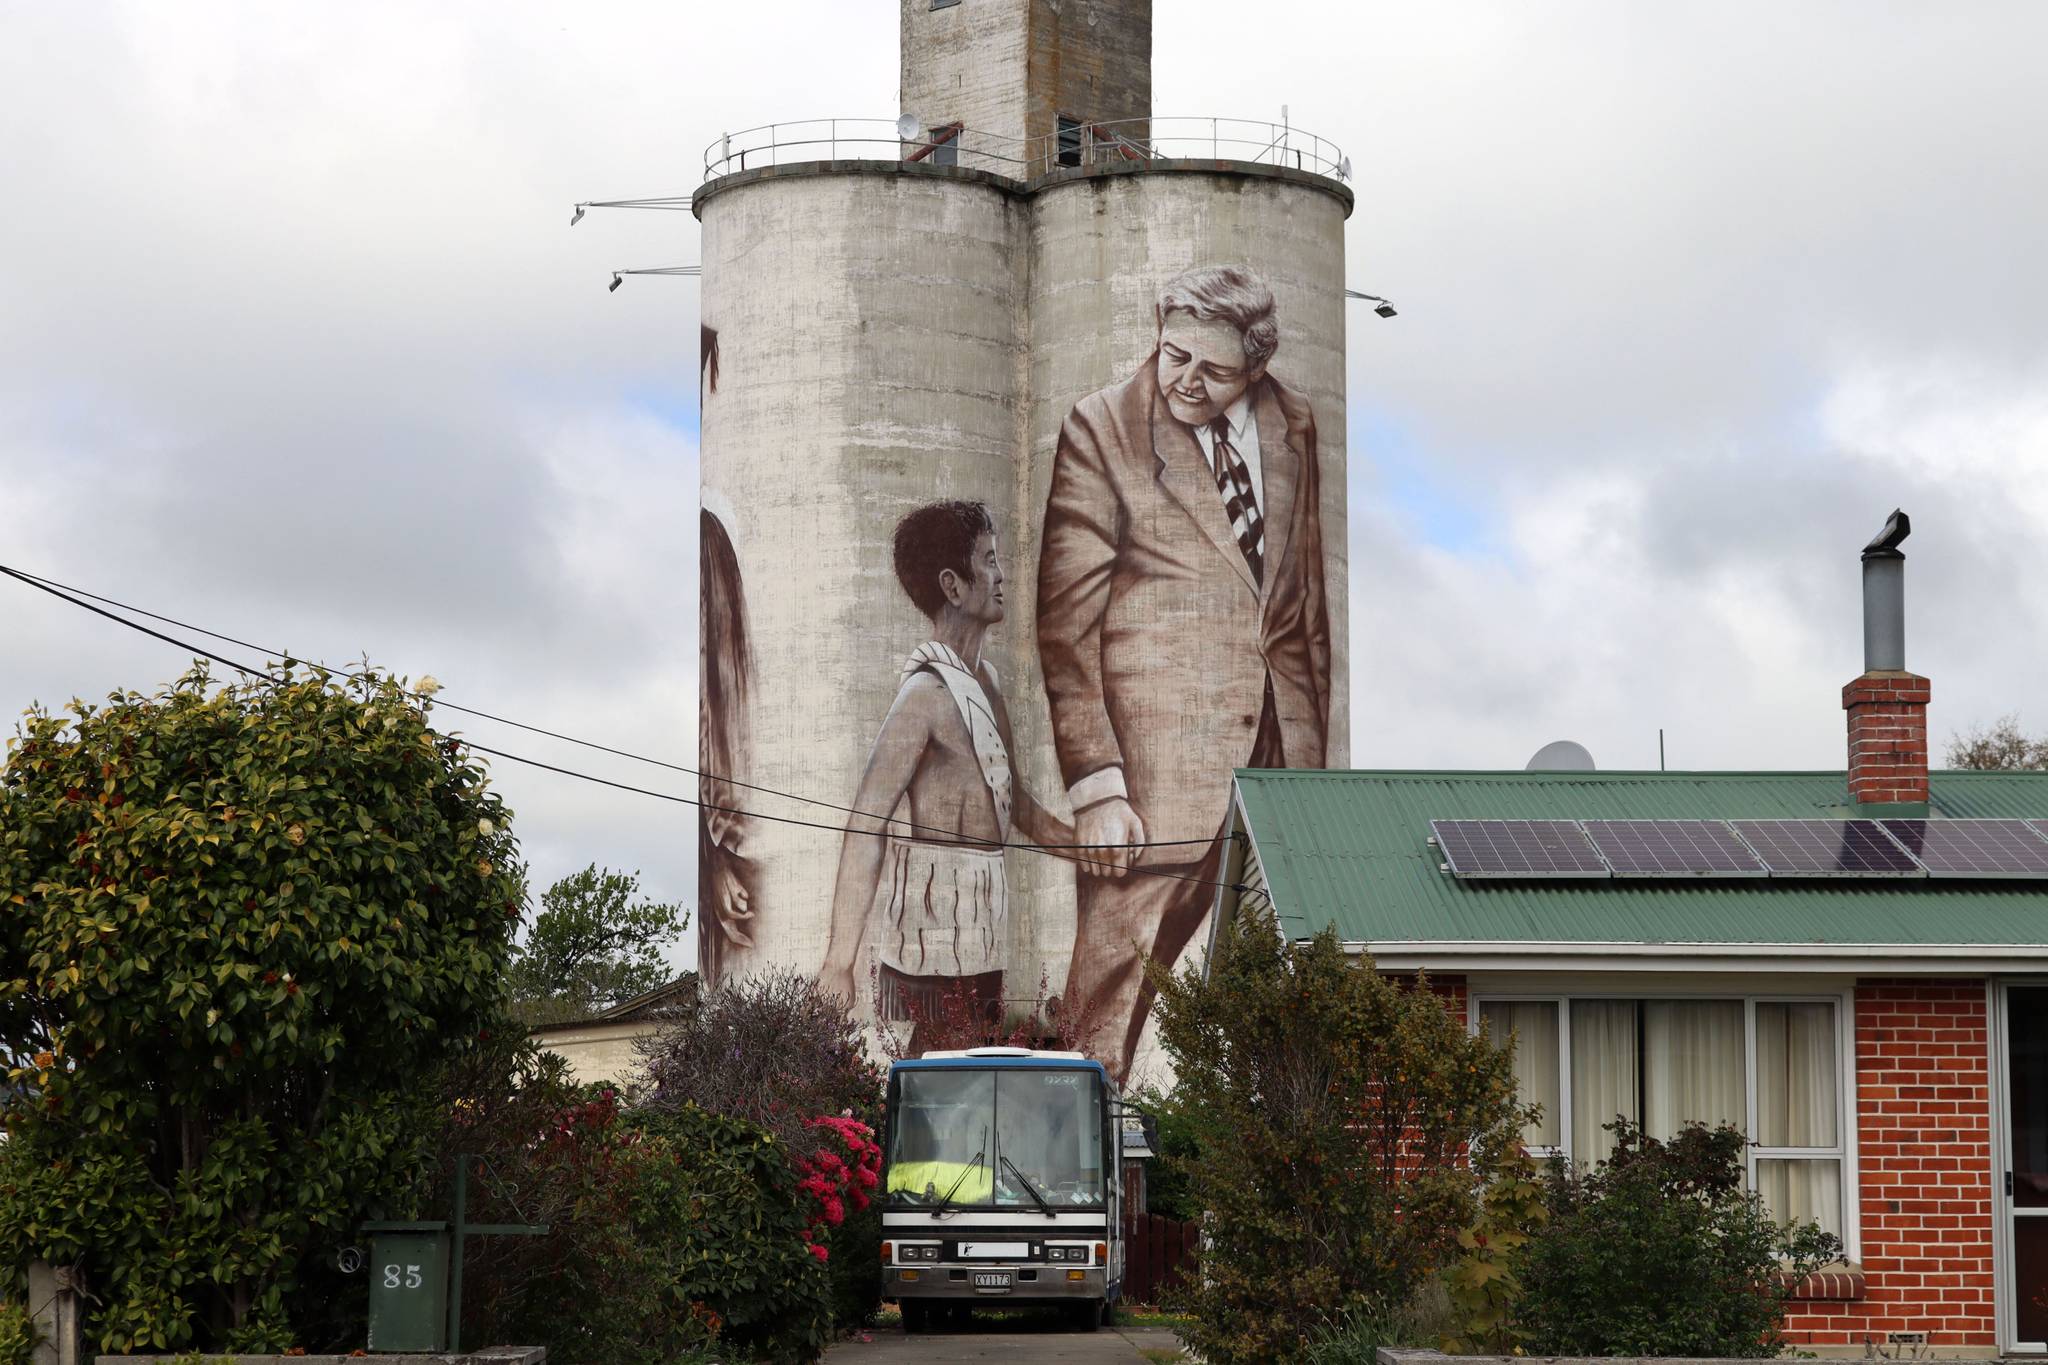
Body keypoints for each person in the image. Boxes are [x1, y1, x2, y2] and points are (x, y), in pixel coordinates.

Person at [1036, 264, 1332, 1081]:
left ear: (1257, 368)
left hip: (1281, 756)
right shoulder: (1103, 429)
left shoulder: (1294, 423)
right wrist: (1096, 784)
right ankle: (1078, 1167)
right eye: (1174, 356)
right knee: (1108, 998)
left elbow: (1303, 606)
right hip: (1152, 777)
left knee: (1286, 994)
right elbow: (1065, 622)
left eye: (1215, 369)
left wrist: (1317, 771)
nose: (1187, 381)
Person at [819, 500, 1072, 1051]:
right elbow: (866, 822)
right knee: (935, 1061)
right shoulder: (925, 696)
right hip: (931, 917)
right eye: (989, 560)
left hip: (985, 921)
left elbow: (1014, 801)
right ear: (954, 586)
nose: (1003, 575)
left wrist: (1083, 847)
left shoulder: (990, 687)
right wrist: (839, 962)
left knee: (972, 1063)